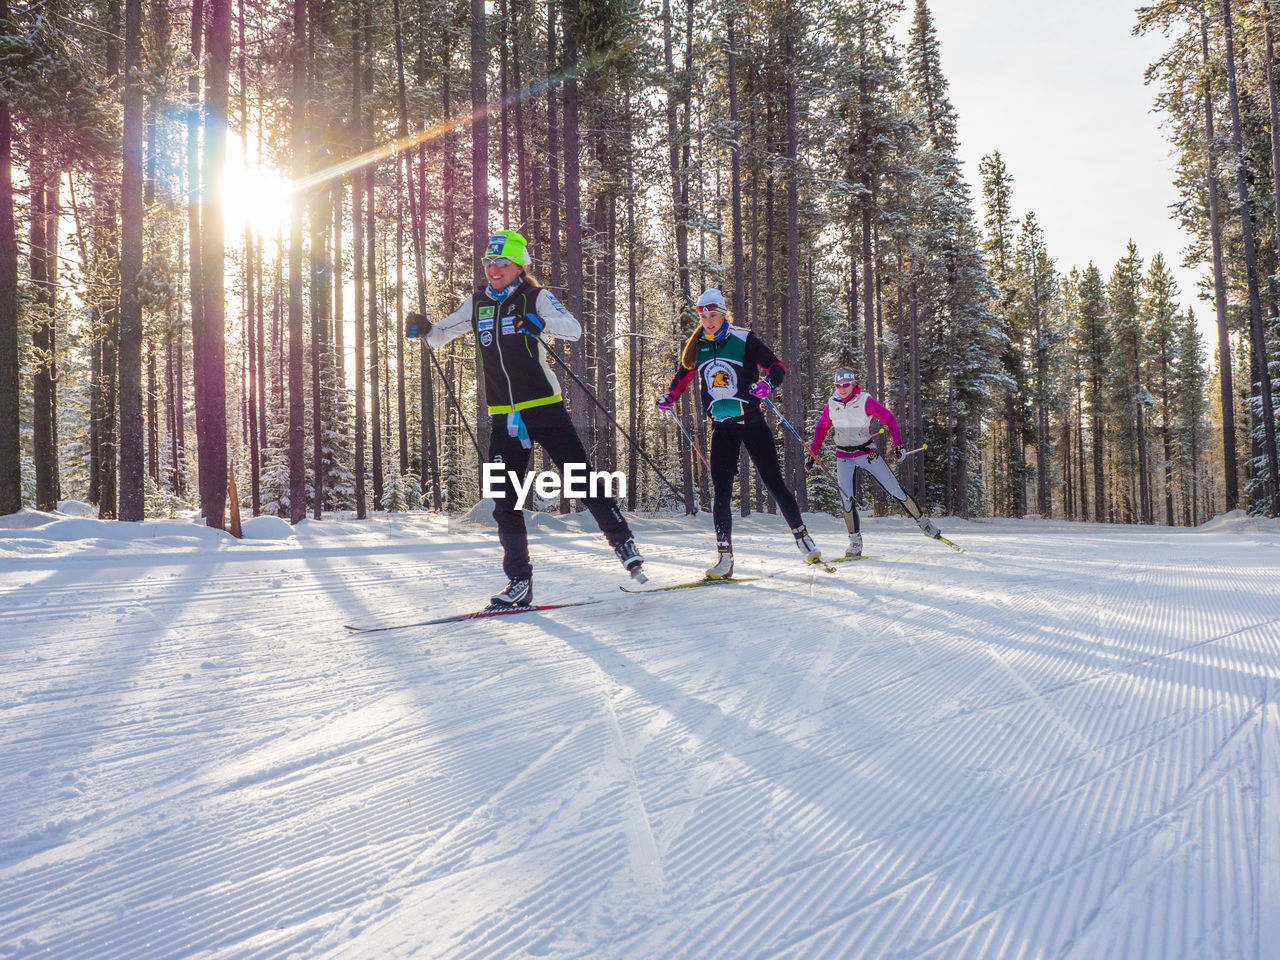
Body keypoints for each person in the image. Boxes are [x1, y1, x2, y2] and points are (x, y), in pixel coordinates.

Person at [405, 230, 645, 607]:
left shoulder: (536, 296)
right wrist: (424, 328)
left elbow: (574, 329)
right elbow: (440, 335)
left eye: (501, 262)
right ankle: (519, 583)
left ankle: (623, 542)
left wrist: (539, 323)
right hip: (504, 415)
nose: (493, 268)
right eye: (488, 262)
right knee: (504, 502)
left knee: (581, 480)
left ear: (520, 266)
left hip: (544, 407)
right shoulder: (477, 303)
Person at [656, 288, 820, 579]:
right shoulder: (699, 346)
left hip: (752, 424)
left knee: (774, 483)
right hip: (722, 427)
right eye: (704, 317)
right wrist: (670, 395)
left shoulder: (743, 338)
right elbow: (683, 375)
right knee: (721, 492)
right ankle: (724, 559)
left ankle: (802, 537)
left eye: (713, 316)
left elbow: (776, 366)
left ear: (722, 314)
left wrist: (768, 384)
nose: (708, 322)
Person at [805, 366, 942, 557]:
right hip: (843, 456)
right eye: (838, 385)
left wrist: (899, 445)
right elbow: (821, 428)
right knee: (847, 500)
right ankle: (855, 543)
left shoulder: (864, 400)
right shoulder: (831, 403)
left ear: (853, 384)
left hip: (866, 453)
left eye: (846, 385)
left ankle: (925, 524)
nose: (842, 388)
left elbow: (890, 419)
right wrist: (813, 454)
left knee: (894, 489)